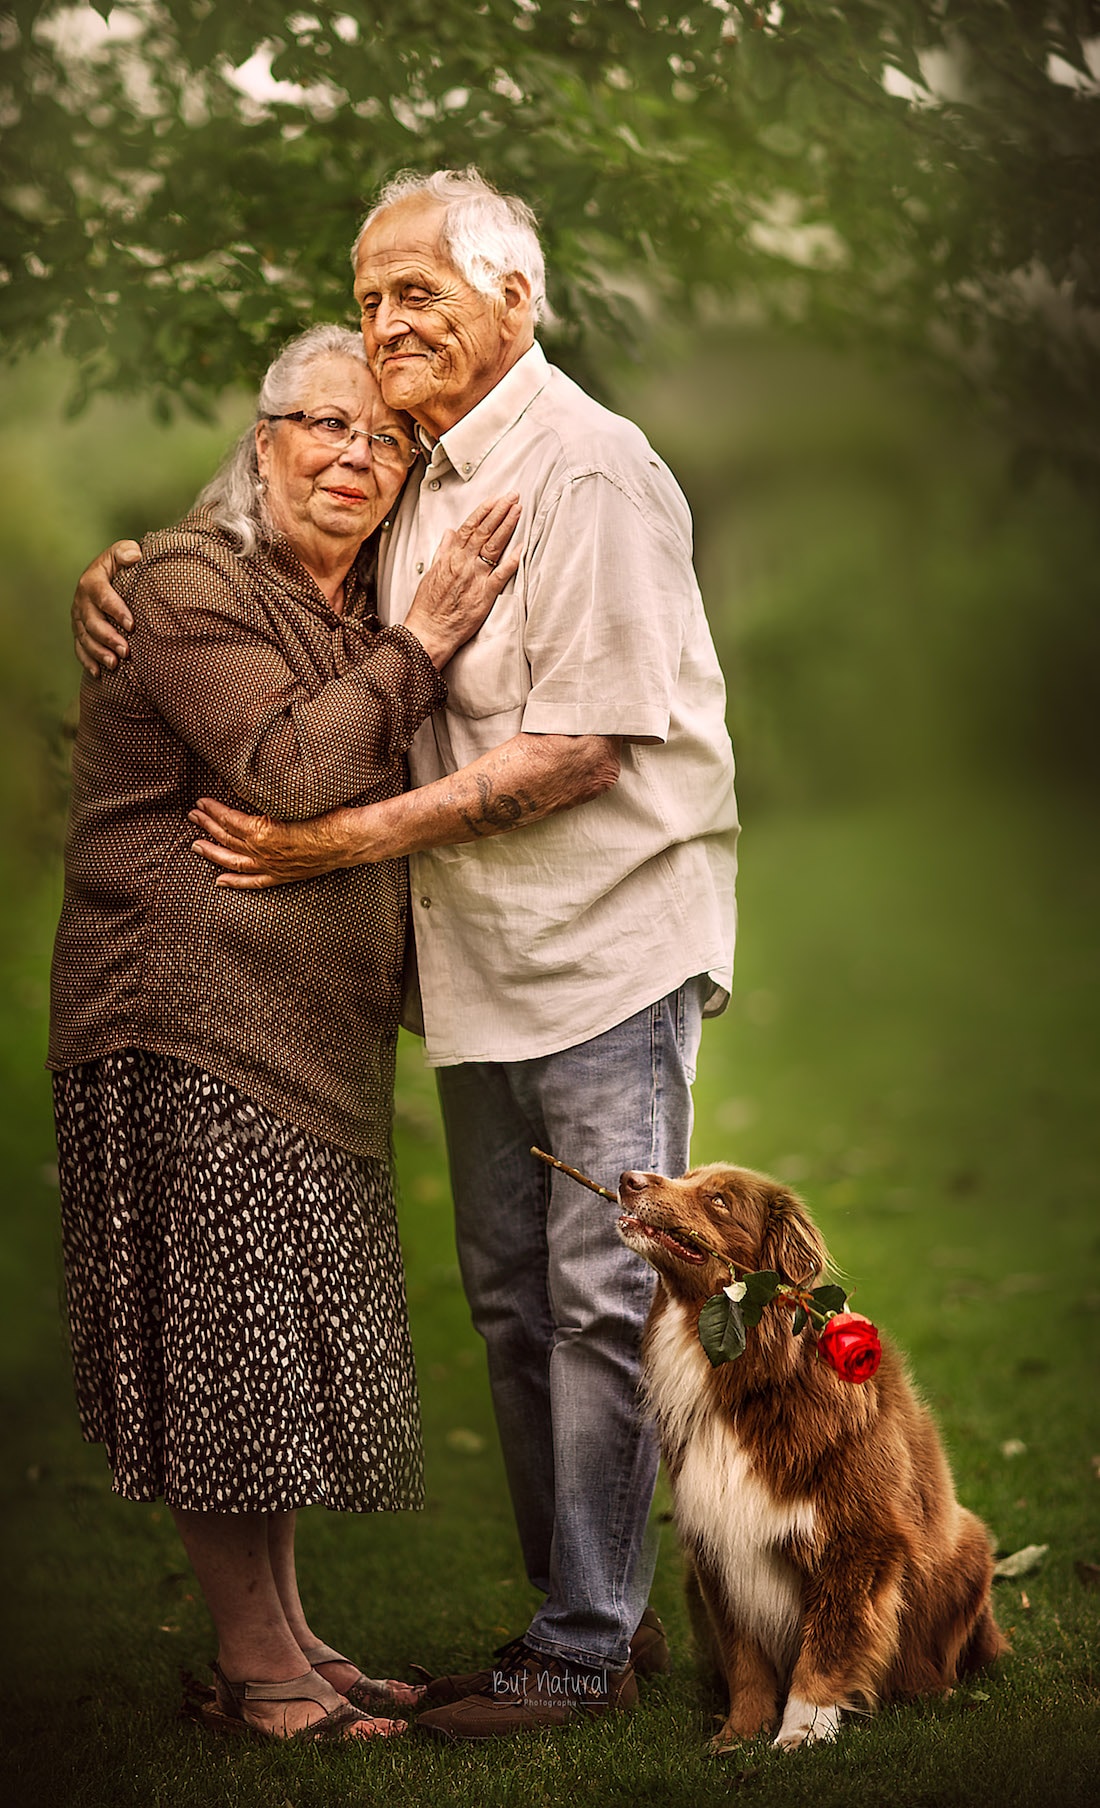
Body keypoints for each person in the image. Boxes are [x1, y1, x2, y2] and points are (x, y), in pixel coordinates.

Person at [71, 167, 740, 1741]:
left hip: (606, 947)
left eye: (416, 291)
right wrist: (124, 564)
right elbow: (270, 580)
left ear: (517, 293)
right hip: (481, 966)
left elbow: (581, 750)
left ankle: (581, 1642)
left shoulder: (589, 473)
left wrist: (336, 845)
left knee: (595, 1294)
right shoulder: (424, 474)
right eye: (369, 299)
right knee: (516, 1299)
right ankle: (583, 1621)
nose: (385, 331)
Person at [51, 321, 520, 1742]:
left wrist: (399, 632)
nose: (356, 455)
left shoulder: (346, 605)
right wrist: (423, 642)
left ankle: (296, 1643)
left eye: (384, 439)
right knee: (223, 1356)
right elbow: (288, 768)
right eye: (325, 424)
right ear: (262, 441)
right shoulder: (193, 582)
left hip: (298, 1038)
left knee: (263, 1360)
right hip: (183, 1020)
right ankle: (258, 1674)